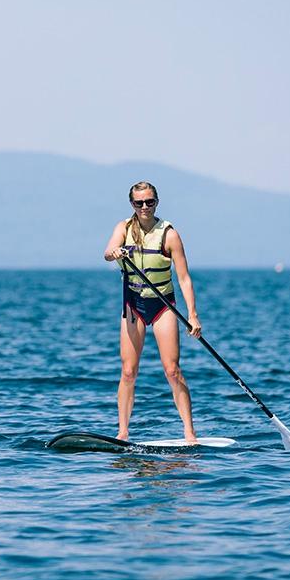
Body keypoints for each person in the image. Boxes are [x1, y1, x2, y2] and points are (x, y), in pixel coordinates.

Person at [103, 181, 202, 443]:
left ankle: (189, 432)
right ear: (132, 205)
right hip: (133, 304)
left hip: (163, 306)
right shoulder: (123, 228)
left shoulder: (169, 234)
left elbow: (184, 279)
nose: (145, 207)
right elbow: (107, 253)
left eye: (149, 202)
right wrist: (115, 252)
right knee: (128, 371)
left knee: (172, 370)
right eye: (139, 203)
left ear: (157, 202)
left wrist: (192, 316)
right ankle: (123, 431)